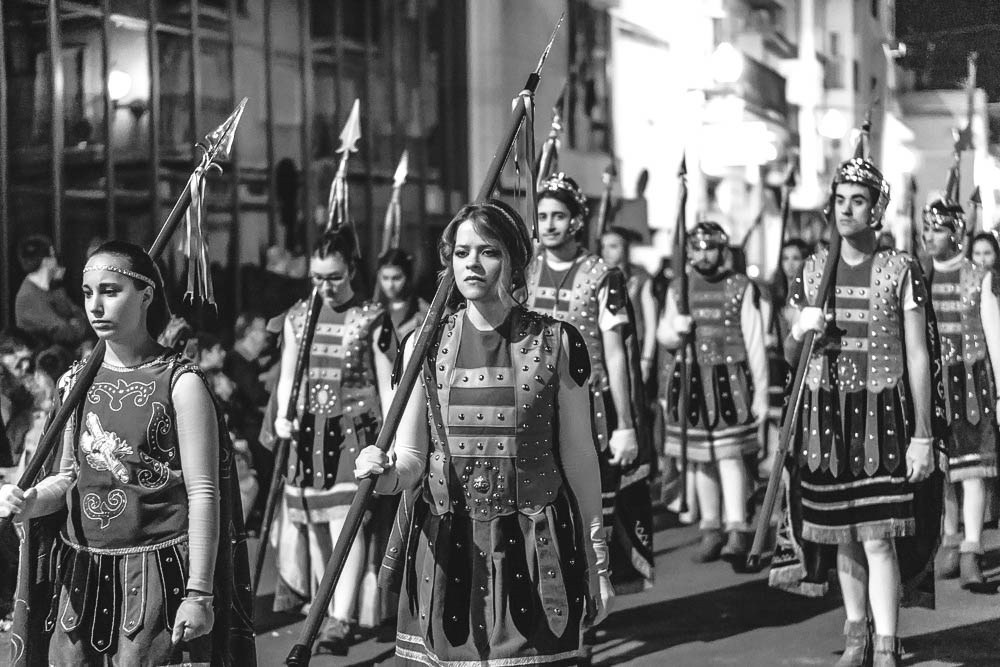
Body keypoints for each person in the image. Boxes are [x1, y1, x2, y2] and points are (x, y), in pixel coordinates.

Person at [355, 199, 611, 665]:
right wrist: (384, 473)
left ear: (515, 261)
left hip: (535, 547)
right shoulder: (421, 345)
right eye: (461, 252)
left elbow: (580, 458)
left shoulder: (557, 341)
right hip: (447, 546)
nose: (472, 263)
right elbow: (411, 459)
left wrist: (597, 560)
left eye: (488, 251)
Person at [0, 240, 254, 665]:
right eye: (88, 293)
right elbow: (67, 478)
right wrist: (28, 501)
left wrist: (199, 594)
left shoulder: (181, 383)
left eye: (111, 291)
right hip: (80, 576)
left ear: (145, 294)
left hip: (158, 576)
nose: (95, 306)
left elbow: (203, 493)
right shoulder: (74, 383)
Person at [777, 129, 943, 666]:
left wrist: (924, 434)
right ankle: (856, 635)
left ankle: (887, 642)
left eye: (857, 201)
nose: (846, 210)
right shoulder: (811, 270)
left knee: (877, 538)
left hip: (883, 417)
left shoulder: (900, 269)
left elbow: (918, 354)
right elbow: (790, 355)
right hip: (825, 416)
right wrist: (800, 329)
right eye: (840, 200)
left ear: (876, 211)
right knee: (842, 535)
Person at [524, 173, 654, 597]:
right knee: (542, 512)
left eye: (558, 216)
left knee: (588, 514)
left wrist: (626, 424)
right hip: (533, 410)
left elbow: (615, 353)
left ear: (577, 221)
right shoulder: (525, 270)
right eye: (543, 216)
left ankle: (589, 606)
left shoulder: (603, 276)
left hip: (591, 410)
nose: (549, 225)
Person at [271, 227, 395, 653]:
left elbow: (388, 384)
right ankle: (325, 605)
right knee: (316, 523)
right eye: (318, 277)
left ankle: (342, 616)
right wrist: (283, 416)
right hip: (307, 434)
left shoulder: (372, 317)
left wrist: (392, 440)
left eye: (334, 277)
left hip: (353, 435)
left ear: (352, 271)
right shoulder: (298, 317)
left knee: (348, 522)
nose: (325, 286)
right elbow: (289, 374)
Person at [657, 221, 768, 567]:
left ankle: (737, 528)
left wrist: (761, 393)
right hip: (691, 381)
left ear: (723, 250)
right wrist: (674, 331)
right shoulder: (678, 287)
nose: (704, 255)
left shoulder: (740, 286)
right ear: (689, 251)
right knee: (701, 459)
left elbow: (754, 340)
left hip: (729, 383)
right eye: (697, 248)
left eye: (711, 248)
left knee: (730, 456)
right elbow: (663, 334)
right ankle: (711, 528)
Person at [923, 194, 1000, 590]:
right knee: (942, 472)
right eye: (927, 228)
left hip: (971, 384)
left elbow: (994, 336)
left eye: (937, 229)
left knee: (972, 471)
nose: (929, 236)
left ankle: (972, 549)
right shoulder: (918, 276)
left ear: (955, 233)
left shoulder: (978, 276)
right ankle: (948, 540)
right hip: (932, 385)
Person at [600, 226, 658, 382]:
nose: (606, 252)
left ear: (625, 248)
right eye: (603, 246)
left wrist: (646, 360)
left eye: (613, 246)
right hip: (603, 348)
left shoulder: (641, 278)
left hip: (633, 347)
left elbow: (651, 323)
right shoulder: (597, 276)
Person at [14, 236, 89, 350]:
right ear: (46, 261)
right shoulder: (28, 296)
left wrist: (74, 323)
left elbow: (82, 318)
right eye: (53, 255)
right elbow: (65, 333)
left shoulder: (54, 289)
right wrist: (72, 322)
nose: (56, 260)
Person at [374, 248, 430, 339]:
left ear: (407, 277)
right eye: (385, 278)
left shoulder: (422, 310)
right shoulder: (375, 309)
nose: (390, 285)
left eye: (396, 278)